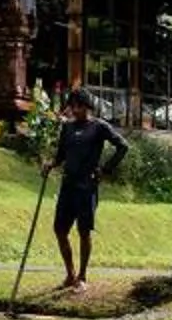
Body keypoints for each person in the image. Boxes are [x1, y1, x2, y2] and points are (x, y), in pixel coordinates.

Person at [47, 87, 130, 290]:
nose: (74, 110)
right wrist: (50, 165)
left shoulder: (99, 127)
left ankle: (82, 277)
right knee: (59, 230)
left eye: (78, 106)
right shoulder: (67, 128)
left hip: (86, 188)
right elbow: (60, 156)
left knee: (84, 231)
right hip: (68, 186)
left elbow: (123, 146)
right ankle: (70, 274)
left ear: (87, 106)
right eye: (72, 106)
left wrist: (105, 170)